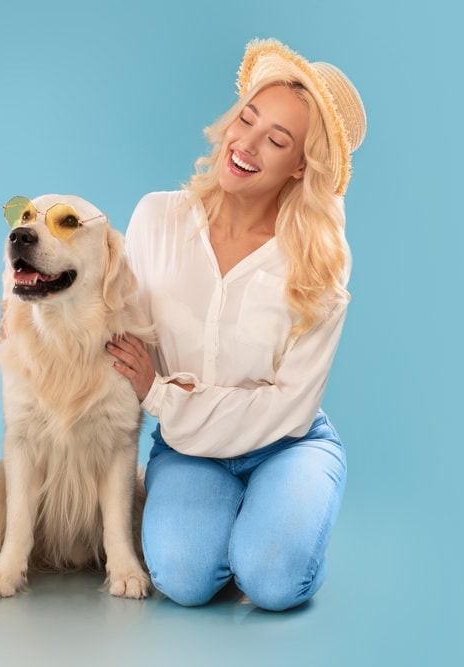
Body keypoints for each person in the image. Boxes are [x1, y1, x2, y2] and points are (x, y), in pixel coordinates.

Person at [104, 38, 366, 611]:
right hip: (190, 451)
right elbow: (105, 306)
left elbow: (288, 404)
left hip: (288, 444)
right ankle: (245, 530)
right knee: (183, 579)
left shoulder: (320, 261)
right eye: (247, 118)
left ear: (301, 166)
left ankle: (283, 533)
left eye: (275, 139)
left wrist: (160, 394)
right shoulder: (157, 218)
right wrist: (25, 304)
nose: (245, 143)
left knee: (272, 581)